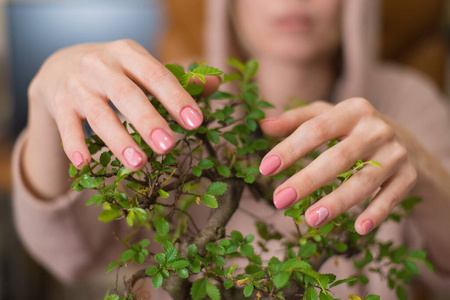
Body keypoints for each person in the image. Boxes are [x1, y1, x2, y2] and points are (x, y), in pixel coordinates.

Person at [12, 0, 450, 298]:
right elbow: (69, 252)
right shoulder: (171, 97)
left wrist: (421, 166)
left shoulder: (408, 101)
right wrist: (45, 98)